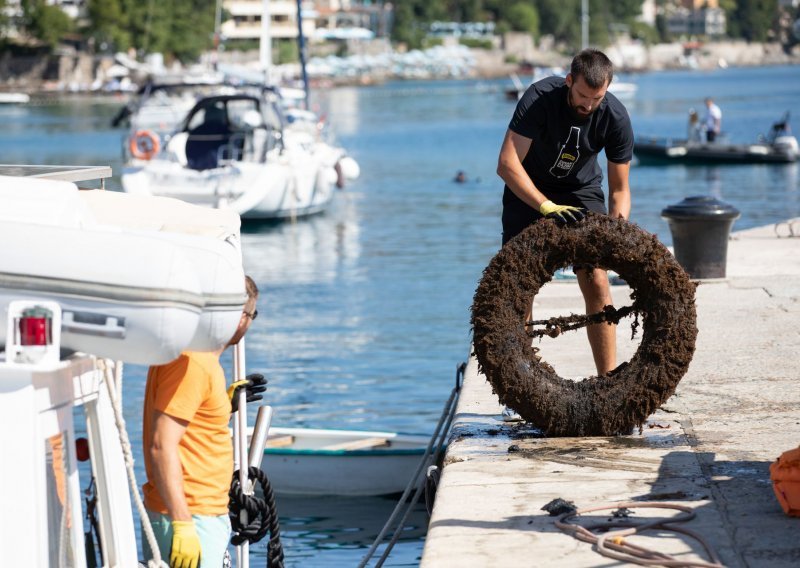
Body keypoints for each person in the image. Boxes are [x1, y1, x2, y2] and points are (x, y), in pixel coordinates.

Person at [496, 48, 633, 376]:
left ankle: (607, 379)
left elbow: (620, 190)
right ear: (569, 81)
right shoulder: (540, 97)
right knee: (519, 284)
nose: (588, 105)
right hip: (528, 188)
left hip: (581, 192)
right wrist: (545, 206)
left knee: (596, 277)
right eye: (583, 95)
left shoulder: (615, 117)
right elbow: (507, 163)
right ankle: (521, 380)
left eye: (597, 98)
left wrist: (618, 229)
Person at [141, 275, 267, 568]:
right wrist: (183, 524)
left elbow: (187, 424)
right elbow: (162, 444)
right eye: (252, 315)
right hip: (189, 516)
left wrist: (224, 405)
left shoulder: (195, 358)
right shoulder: (193, 362)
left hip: (200, 512)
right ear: (238, 318)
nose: (249, 323)